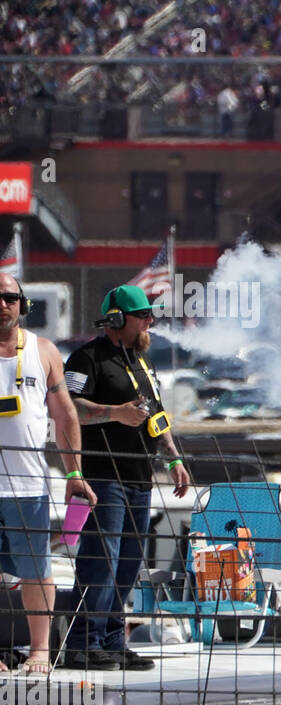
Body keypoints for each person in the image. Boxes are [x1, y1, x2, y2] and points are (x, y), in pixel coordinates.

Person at [62, 286, 191, 670]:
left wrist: (173, 460)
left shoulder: (140, 361)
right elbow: (69, 409)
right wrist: (115, 413)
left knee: (129, 564)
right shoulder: (86, 358)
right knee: (101, 560)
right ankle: (83, 644)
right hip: (103, 476)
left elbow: (156, 415)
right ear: (117, 319)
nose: (150, 321)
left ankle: (114, 642)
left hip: (139, 479)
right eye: (143, 315)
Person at [0, 273, 95, 676]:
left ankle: (40, 650)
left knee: (36, 567)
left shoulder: (44, 351)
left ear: (22, 305)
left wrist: (74, 472)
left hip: (28, 484)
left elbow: (65, 415)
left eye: (9, 297)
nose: (2, 303)